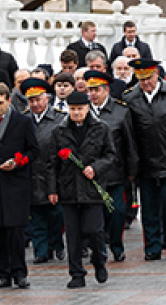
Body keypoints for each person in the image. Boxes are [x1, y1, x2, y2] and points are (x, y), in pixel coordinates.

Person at [0, 83, 39, 289]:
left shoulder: (23, 121)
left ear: (9, 100)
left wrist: (19, 162)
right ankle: (3, 273)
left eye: (0, 103)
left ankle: (20, 273)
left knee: (15, 231)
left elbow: (33, 150)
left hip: (16, 184)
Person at [48, 91, 115, 288]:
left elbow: (111, 156)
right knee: (73, 234)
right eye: (72, 109)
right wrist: (52, 189)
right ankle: (77, 273)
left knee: (94, 230)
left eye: (80, 109)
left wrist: (96, 168)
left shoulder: (101, 128)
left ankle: (99, 260)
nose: (76, 113)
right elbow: (52, 163)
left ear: (88, 108)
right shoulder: (59, 131)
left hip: (92, 189)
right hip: (68, 189)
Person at [85, 71, 138, 263]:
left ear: (106, 90)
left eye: (97, 90)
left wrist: (132, 171)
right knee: (94, 217)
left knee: (117, 212)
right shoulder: (83, 111)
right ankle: (98, 249)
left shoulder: (121, 111)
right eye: (90, 90)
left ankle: (116, 245)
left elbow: (129, 143)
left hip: (115, 173)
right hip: (90, 174)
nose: (93, 94)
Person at [124, 59, 166, 260]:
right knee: (149, 209)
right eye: (141, 79)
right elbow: (129, 135)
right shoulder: (131, 99)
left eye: (148, 78)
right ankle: (152, 248)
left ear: (157, 74)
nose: (146, 83)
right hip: (146, 163)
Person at [22, 78, 67, 264]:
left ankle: (56, 244)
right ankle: (41, 250)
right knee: (36, 216)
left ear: (47, 99)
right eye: (31, 100)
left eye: (38, 99)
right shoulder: (24, 119)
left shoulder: (59, 119)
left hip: (53, 175)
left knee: (56, 215)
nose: (35, 104)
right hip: (31, 174)